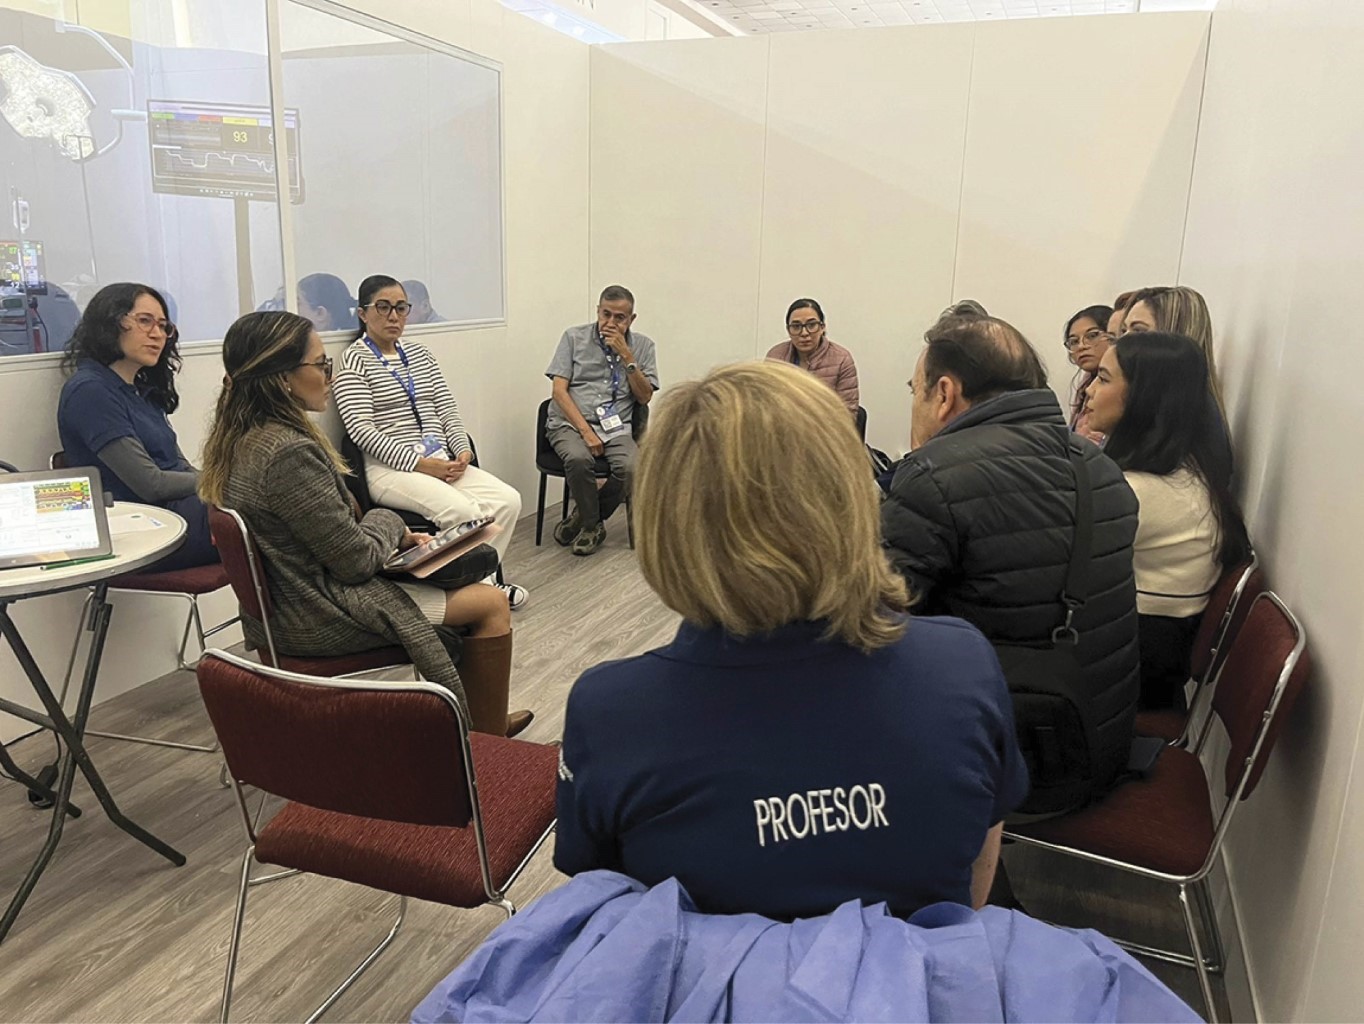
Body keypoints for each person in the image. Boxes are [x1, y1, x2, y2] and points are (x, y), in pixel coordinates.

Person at [555, 361, 1030, 921]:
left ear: (666, 517)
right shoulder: (961, 664)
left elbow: (607, 907)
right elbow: (973, 886)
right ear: (851, 492)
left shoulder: (611, 711)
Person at [199, 310, 531, 736]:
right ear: (283, 378)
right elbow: (354, 562)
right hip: (316, 611)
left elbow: (325, 536)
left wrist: (391, 536)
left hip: (289, 601)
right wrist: (389, 521)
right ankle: (485, 738)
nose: (330, 376)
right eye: (321, 365)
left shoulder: (241, 439)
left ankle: (476, 722)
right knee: (491, 603)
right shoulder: (286, 454)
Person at [881, 313, 1140, 809]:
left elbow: (867, 617)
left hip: (1003, 766)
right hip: (1097, 743)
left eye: (916, 390)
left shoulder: (936, 477)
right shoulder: (1101, 469)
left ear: (944, 393)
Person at [333, 275, 527, 608]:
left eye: (401, 308)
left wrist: (461, 450)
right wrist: (422, 464)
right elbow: (361, 431)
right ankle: (476, 596)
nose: (394, 316)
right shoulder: (354, 360)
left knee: (507, 501)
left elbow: (446, 408)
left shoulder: (420, 355)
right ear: (363, 313)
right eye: (383, 307)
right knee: (463, 511)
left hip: (439, 459)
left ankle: (483, 584)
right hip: (389, 469)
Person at [1081, 332, 1252, 710]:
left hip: (1133, 672)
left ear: (1144, 398)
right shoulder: (1188, 470)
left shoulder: (1138, 490)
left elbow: (1053, 565)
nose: (1089, 390)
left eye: (1103, 379)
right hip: (1155, 654)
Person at [57, 282, 218, 571]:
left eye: (163, 326)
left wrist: (224, 484)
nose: (157, 334)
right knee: (270, 515)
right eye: (145, 321)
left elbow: (179, 466)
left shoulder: (140, 390)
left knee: (275, 506)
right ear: (110, 323)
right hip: (144, 529)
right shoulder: (90, 391)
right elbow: (151, 484)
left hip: (176, 514)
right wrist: (225, 482)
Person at [546, 285, 659, 556]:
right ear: (598, 311)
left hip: (616, 426)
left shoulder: (644, 346)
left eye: (619, 318)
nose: (610, 322)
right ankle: (591, 526)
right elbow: (559, 391)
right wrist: (586, 432)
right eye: (606, 314)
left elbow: (644, 397)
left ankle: (584, 518)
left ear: (631, 319)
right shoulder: (573, 337)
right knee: (578, 459)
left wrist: (627, 356)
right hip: (570, 423)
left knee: (632, 467)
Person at [764, 298, 859, 413]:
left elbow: (847, 413)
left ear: (822, 327)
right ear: (788, 330)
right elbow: (766, 404)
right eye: (796, 326)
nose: (804, 333)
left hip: (825, 423)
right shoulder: (775, 357)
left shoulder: (842, 359)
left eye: (811, 325)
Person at [1063, 303, 1114, 437]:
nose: (1081, 346)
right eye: (1074, 341)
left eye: (1092, 336)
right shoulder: (1084, 386)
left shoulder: (1123, 382)